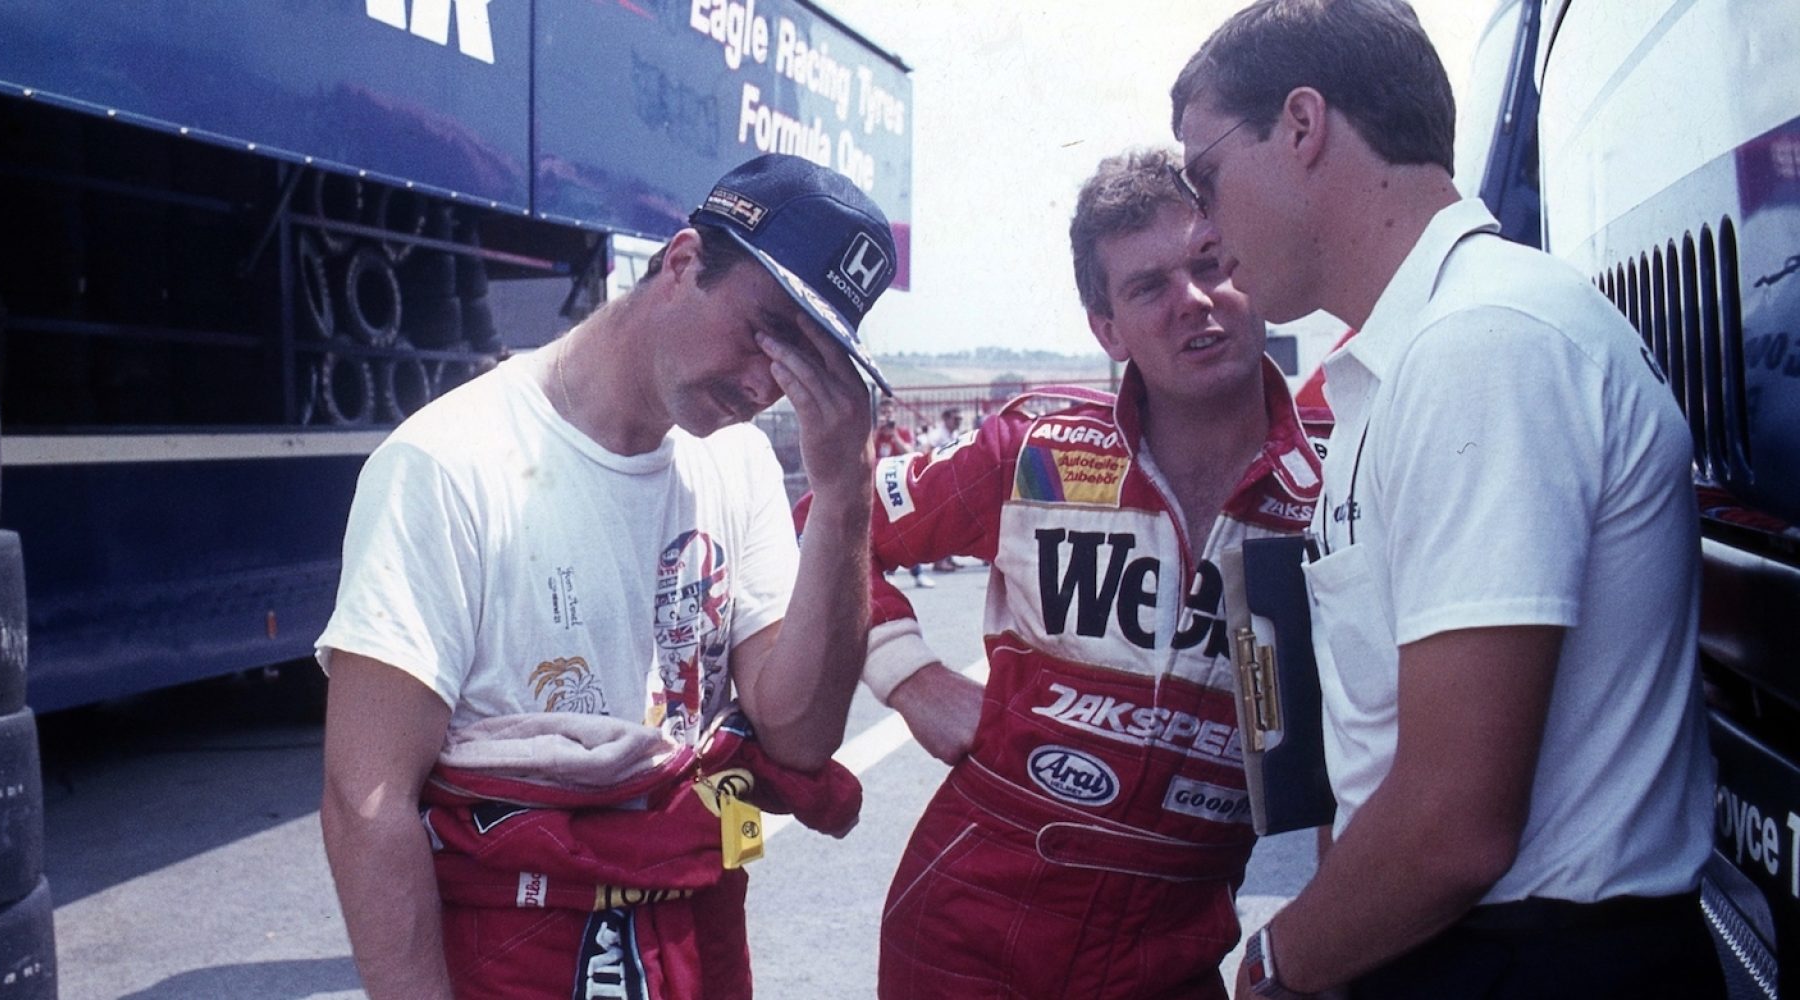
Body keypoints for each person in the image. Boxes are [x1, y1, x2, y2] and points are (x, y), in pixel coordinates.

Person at [1169, 3, 1723, 997]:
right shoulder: (1420, 349)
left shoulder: (1483, 341)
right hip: (1465, 950)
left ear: (1303, 125)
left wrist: (1273, 964)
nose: (1205, 233)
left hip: (1531, 963)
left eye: (1205, 177)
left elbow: (1451, 823)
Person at [316, 153, 896, 1000]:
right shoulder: (448, 465)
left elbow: (802, 736)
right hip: (520, 940)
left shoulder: (737, 464)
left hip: (692, 924)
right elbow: (365, 799)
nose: (767, 381)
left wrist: (844, 492)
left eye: (808, 359)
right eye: (765, 330)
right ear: (684, 262)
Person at [848, 147, 1326, 998]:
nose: (1194, 301)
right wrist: (910, 675)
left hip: (1176, 947)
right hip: (970, 927)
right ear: (1107, 329)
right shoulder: (1036, 448)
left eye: (1209, 264)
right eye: (1148, 287)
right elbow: (826, 522)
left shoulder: (1336, 472)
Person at [874, 399, 935, 587]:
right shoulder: (873, 434)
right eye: (883, 412)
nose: (887, 416)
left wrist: (893, 437)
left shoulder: (902, 432)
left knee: (906, 527)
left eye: (889, 412)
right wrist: (878, 432)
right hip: (877, 485)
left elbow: (909, 452)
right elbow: (864, 453)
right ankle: (888, 572)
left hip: (898, 484)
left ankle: (916, 573)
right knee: (882, 530)